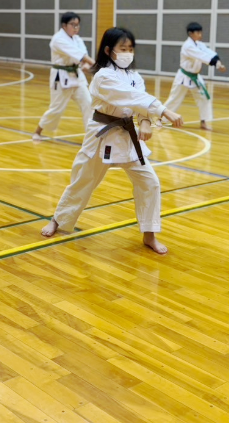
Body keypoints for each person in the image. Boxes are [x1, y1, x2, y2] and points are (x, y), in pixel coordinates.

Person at [40, 27, 184, 254]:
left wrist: (146, 122)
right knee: (83, 180)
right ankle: (58, 220)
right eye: (122, 49)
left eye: (130, 49)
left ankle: (149, 234)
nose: (127, 53)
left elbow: (139, 105)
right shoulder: (102, 76)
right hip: (102, 134)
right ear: (108, 50)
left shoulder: (135, 77)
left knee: (150, 183)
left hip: (128, 136)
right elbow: (131, 97)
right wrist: (164, 110)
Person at [33, 12, 94, 141]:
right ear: (64, 25)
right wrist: (97, 65)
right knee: (56, 108)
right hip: (60, 77)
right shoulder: (58, 39)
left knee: (88, 103)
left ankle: (91, 136)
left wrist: (87, 66)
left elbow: (83, 57)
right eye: (73, 25)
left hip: (77, 76)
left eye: (78, 25)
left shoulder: (77, 39)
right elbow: (80, 55)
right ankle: (38, 131)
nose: (76, 28)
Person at [163, 22, 226, 131]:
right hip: (184, 76)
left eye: (200, 32)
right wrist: (215, 64)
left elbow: (208, 52)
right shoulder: (188, 46)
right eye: (198, 32)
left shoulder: (198, 44)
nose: (200, 35)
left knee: (204, 98)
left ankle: (204, 122)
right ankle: (162, 119)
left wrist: (218, 63)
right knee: (175, 98)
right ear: (190, 33)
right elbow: (201, 56)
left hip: (195, 77)